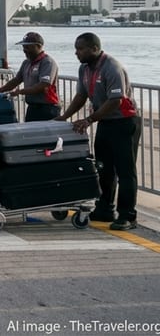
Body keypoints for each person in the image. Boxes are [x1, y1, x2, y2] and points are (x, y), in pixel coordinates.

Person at [59, 32, 140, 231]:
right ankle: (105, 208)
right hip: (105, 122)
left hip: (124, 122)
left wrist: (88, 120)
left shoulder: (112, 67)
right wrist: (64, 116)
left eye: (80, 49)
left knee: (125, 172)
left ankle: (127, 216)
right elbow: (81, 95)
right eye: (76, 48)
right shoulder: (84, 69)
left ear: (94, 48)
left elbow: (115, 101)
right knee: (104, 168)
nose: (76, 53)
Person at [0, 31, 60, 121]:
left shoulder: (47, 62)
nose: (25, 50)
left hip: (48, 108)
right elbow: (16, 80)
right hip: (32, 107)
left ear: (39, 46)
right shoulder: (26, 62)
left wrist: (20, 92)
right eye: (23, 47)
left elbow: (44, 85)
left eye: (28, 47)